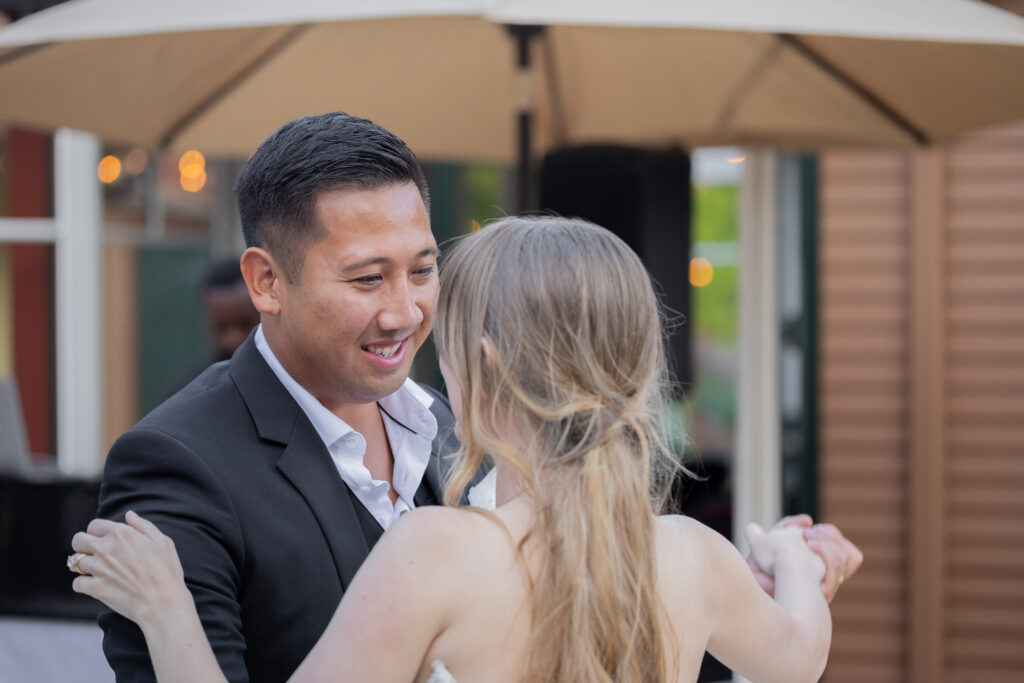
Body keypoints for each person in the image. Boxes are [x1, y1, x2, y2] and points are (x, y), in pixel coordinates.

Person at [74, 216, 863, 682]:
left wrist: (166, 608)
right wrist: (793, 559)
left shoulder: (437, 552)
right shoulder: (693, 555)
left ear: (479, 363)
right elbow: (799, 654)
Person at [94, 112, 485, 683]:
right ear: (267, 283)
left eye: (423, 269)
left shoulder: (443, 420)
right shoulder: (175, 463)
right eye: (367, 279)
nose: (405, 312)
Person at [161, 257, 262, 399]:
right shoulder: (183, 397)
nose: (232, 339)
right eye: (221, 327)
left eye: (244, 324)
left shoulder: (291, 384)